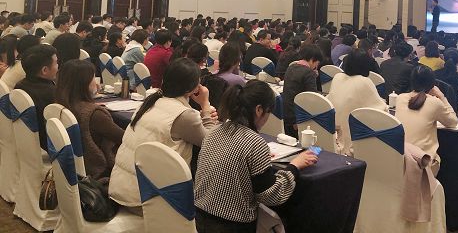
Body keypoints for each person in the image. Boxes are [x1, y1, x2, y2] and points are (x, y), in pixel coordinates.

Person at [195, 81, 317, 232]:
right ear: (259, 110)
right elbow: (270, 196)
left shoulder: (215, 131)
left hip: (200, 217)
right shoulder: (255, 142)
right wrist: (295, 166)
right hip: (233, 224)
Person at [109, 58, 218, 209]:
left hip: (120, 189)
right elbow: (212, 143)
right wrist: (205, 105)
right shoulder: (184, 115)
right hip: (145, 201)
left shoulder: (149, 102)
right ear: (193, 88)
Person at [55, 59, 124, 180]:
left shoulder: (60, 105)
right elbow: (124, 138)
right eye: (93, 78)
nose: (96, 83)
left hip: (71, 168)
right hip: (99, 173)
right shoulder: (94, 115)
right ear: (83, 83)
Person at [395, 65, 458, 174]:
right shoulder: (435, 102)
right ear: (432, 84)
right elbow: (453, 122)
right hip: (424, 162)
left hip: (400, 159)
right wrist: (442, 97)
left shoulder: (400, 98)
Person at [327, 50, 388, 155]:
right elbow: (381, 110)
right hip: (353, 139)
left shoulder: (338, 77)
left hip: (334, 136)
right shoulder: (364, 81)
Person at [15, 44, 59, 150]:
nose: (58, 66)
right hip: (50, 146)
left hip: (26, 142)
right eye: (56, 63)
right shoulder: (52, 94)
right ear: (44, 70)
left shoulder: (20, 85)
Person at [282, 45, 323, 137]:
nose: (316, 66)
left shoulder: (291, 67)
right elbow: (312, 98)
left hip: (286, 114)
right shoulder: (309, 73)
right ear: (312, 59)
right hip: (299, 117)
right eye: (317, 63)